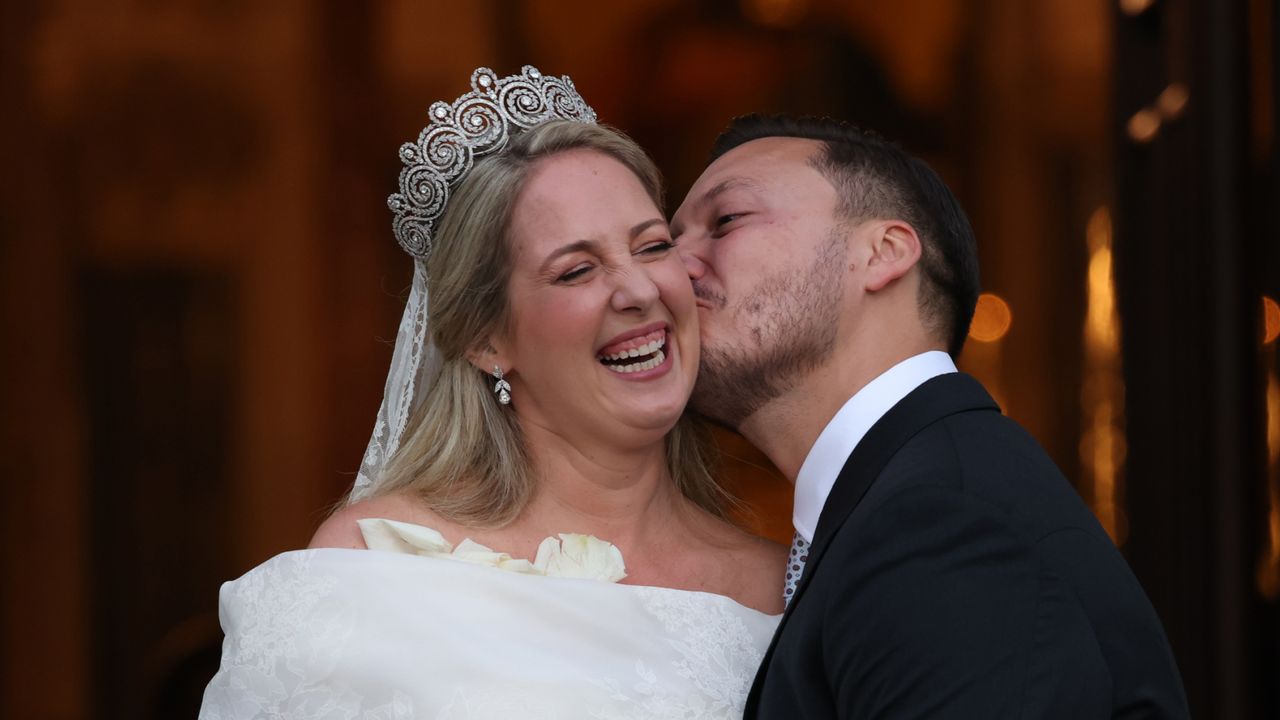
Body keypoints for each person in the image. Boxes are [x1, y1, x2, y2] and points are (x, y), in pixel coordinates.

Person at [199, 67, 784, 719]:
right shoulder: (376, 562)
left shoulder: (780, 586)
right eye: (577, 270)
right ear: (486, 340)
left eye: (651, 247)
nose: (640, 291)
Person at [670, 115, 1191, 719]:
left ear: (883, 253)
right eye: (667, 241)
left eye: (725, 221)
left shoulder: (937, 523)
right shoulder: (913, 496)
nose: (670, 270)